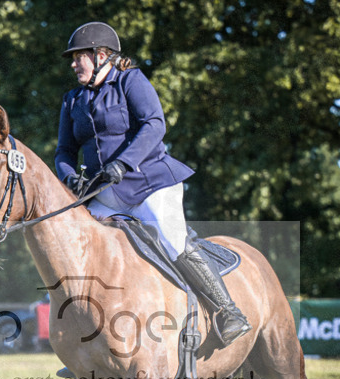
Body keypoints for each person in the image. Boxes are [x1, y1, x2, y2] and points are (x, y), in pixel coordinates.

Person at [54, 21, 250, 347]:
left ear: (102, 55)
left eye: (79, 57)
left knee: (172, 239)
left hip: (149, 183)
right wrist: (69, 177)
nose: (74, 64)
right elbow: (64, 150)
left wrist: (123, 161)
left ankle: (228, 312)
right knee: (76, 248)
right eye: (73, 59)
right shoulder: (72, 100)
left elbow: (154, 124)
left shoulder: (130, 80)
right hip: (104, 193)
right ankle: (83, 345)